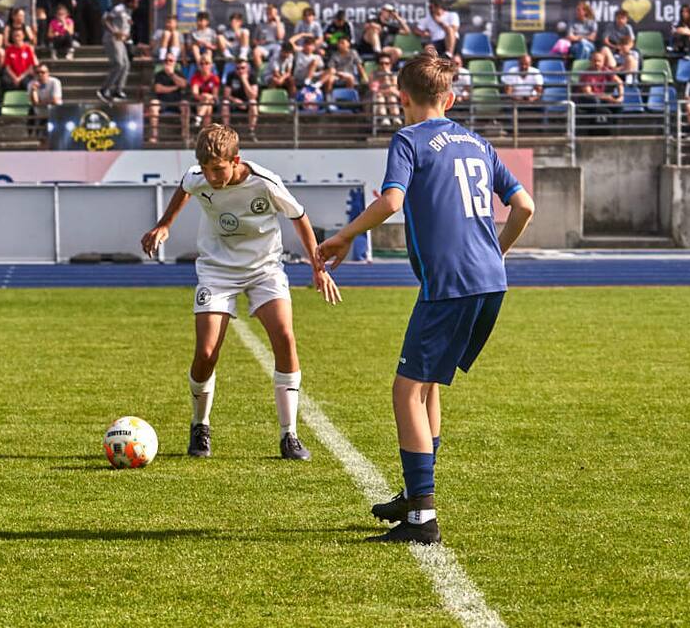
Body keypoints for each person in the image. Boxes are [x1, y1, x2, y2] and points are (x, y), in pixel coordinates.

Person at [317, 56, 535, 546]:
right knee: (429, 385)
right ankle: (416, 496)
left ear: (403, 98)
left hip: (450, 282)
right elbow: (524, 206)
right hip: (490, 280)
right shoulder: (478, 143)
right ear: (450, 99)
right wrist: (495, 253)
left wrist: (345, 235)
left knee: (406, 390)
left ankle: (422, 517)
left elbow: (392, 201)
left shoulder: (408, 140)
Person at [139, 125, 338, 462]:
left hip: (264, 270)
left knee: (285, 337)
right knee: (206, 352)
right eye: (205, 169)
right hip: (217, 271)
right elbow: (186, 187)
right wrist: (165, 224)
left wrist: (317, 267)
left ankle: (289, 434)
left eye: (217, 169)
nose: (211, 177)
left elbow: (300, 217)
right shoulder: (199, 176)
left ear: (236, 161)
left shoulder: (265, 182)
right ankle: (200, 424)